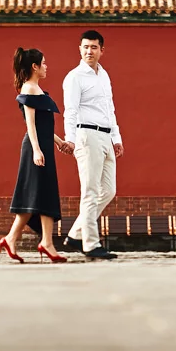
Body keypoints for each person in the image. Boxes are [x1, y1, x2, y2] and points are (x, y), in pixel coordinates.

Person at [2, 48, 75, 263]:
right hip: (36, 149)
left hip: (43, 146)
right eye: (43, 63)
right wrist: (36, 150)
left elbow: (44, 126)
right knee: (39, 193)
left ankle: (17, 239)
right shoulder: (29, 88)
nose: (46, 66)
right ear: (34, 67)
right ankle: (44, 243)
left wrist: (59, 142)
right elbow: (31, 125)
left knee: (41, 195)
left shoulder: (36, 88)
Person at [61, 29, 121, 259]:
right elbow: (70, 111)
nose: (89, 51)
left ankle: (76, 235)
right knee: (90, 191)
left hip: (105, 136)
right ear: (79, 49)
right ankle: (91, 244)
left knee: (109, 190)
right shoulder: (75, 77)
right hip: (86, 135)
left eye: (94, 47)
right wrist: (70, 139)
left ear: (101, 50)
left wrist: (116, 138)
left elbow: (110, 109)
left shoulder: (104, 75)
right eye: (85, 47)